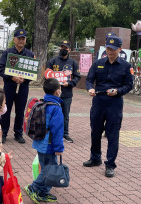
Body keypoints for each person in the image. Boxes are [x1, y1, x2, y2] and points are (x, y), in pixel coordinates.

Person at [83, 36, 133, 177]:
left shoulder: (126, 66)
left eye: (113, 49)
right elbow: (89, 79)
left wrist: (118, 91)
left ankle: (110, 164)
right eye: (108, 48)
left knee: (112, 135)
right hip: (98, 102)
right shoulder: (98, 63)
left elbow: (129, 85)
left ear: (120, 49)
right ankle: (95, 158)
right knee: (95, 131)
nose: (110, 51)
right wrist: (89, 89)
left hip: (114, 104)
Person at [24, 78, 64, 203]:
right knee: (48, 170)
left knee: (45, 167)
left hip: (40, 142)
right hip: (49, 145)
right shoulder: (56, 108)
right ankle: (34, 188)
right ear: (57, 91)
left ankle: (43, 191)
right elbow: (57, 130)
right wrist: (59, 148)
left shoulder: (42, 103)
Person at [0, 29, 34, 144]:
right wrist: (12, 77)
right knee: (5, 110)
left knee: (20, 111)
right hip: (9, 85)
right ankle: (3, 133)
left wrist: (25, 79)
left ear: (25, 40)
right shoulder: (7, 53)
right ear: (14, 40)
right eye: (19, 38)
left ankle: (18, 133)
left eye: (23, 39)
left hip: (23, 87)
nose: (21, 41)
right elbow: (1, 69)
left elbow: (33, 73)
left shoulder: (30, 54)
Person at [47, 40, 81, 143]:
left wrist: (69, 83)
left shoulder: (73, 63)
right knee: (52, 114)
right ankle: (52, 134)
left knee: (65, 115)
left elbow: (77, 77)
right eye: (62, 47)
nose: (63, 49)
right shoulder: (52, 61)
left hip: (66, 93)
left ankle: (65, 134)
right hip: (53, 94)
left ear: (69, 50)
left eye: (65, 48)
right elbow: (47, 75)